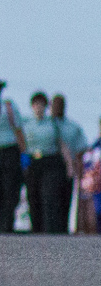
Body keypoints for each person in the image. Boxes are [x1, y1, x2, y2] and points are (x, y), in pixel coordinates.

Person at [20, 92, 69, 233]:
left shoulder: (53, 123)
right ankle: (36, 229)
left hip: (50, 161)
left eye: (42, 105)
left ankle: (50, 230)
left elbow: (62, 144)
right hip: (33, 161)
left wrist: (69, 165)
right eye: (36, 105)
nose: (39, 108)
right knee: (33, 195)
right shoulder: (26, 124)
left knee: (49, 195)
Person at [0, 80, 26, 233]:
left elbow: (18, 130)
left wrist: (24, 154)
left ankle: (7, 223)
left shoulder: (8, 106)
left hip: (9, 151)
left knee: (10, 188)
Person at [53, 94, 87, 233]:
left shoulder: (72, 127)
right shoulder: (47, 125)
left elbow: (80, 151)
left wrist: (79, 173)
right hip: (49, 166)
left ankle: (63, 230)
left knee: (66, 199)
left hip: (68, 168)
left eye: (60, 104)